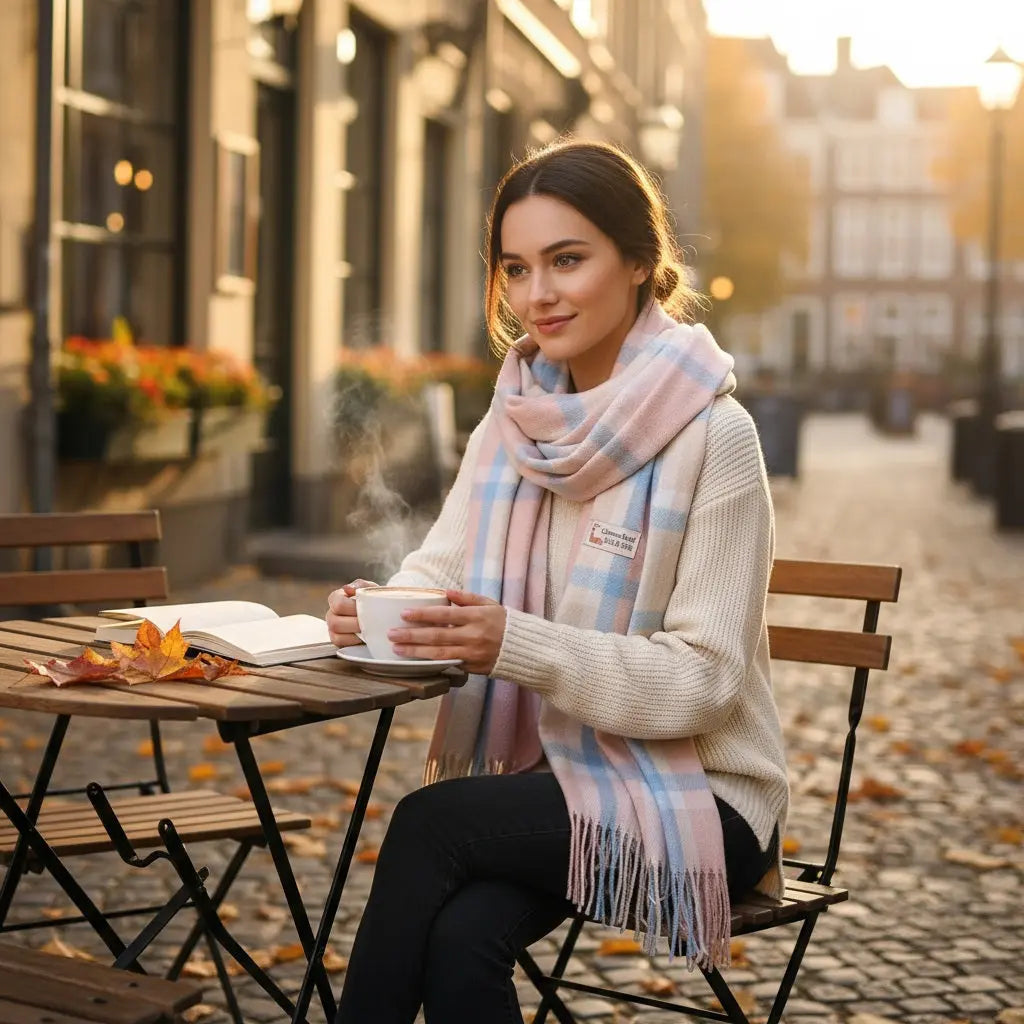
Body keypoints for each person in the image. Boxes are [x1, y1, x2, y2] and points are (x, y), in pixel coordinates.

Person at [326, 139, 789, 1024]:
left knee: (432, 825)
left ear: (641, 263)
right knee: (462, 940)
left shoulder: (715, 437)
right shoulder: (514, 423)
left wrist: (517, 644)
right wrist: (374, 608)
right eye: (516, 267)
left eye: (567, 260)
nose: (537, 294)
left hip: (704, 791)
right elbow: (442, 569)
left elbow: (702, 682)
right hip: (561, 776)